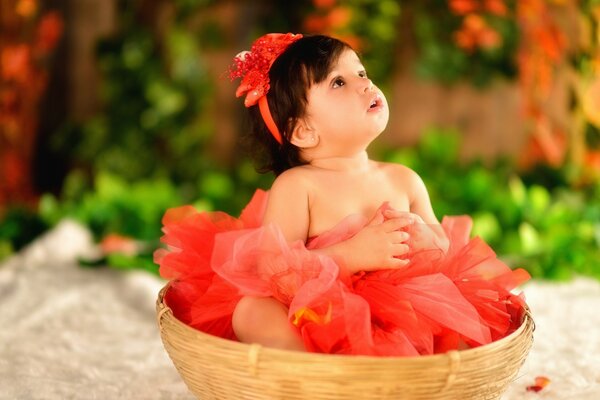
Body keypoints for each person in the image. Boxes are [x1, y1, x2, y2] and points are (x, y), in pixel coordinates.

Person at [155, 33, 530, 356]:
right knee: (251, 311)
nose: (366, 84)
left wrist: (423, 238)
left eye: (362, 73)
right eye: (339, 82)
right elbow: (274, 271)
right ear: (302, 132)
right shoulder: (300, 185)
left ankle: (410, 372)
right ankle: (322, 372)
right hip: (316, 315)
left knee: (458, 315)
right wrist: (350, 255)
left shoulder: (404, 179)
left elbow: (445, 251)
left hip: (403, 309)